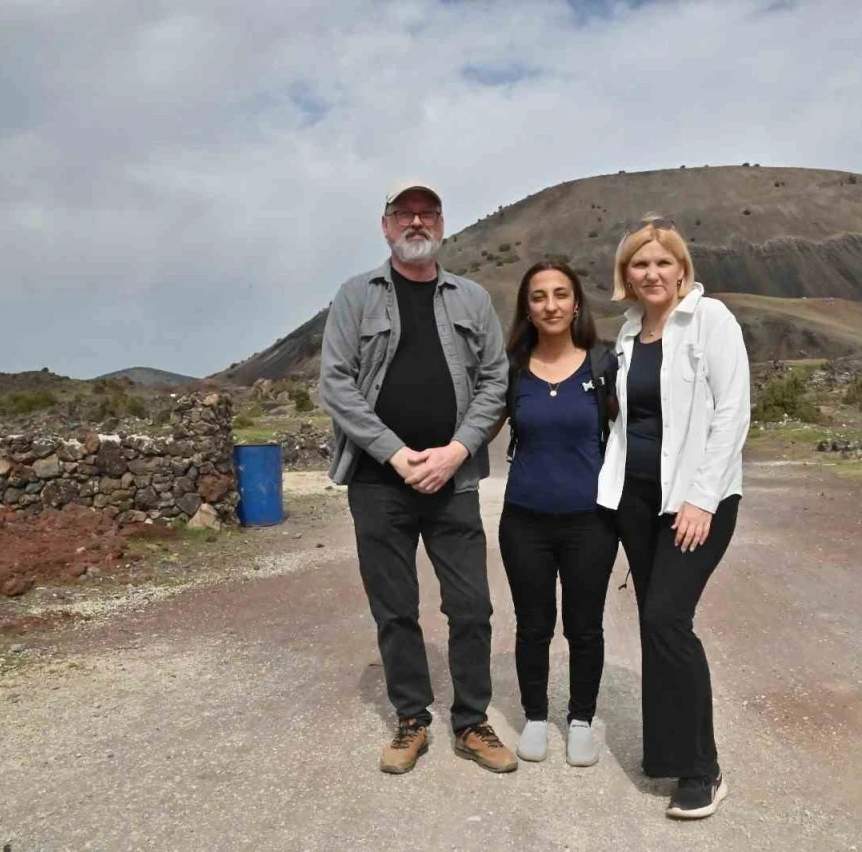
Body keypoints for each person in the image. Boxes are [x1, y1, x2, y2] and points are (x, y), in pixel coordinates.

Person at [318, 180, 517, 775]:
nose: (415, 222)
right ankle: (412, 719)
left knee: (472, 606)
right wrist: (396, 454)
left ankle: (472, 721)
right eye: (403, 213)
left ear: (442, 224)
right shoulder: (355, 297)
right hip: (378, 482)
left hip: (453, 480)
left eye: (427, 213)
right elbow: (337, 384)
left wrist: (457, 451)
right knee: (395, 606)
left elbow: (496, 381)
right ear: (385, 226)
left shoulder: (472, 298)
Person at [596, 216, 750, 819]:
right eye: (640, 263)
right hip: (636, 501)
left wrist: (702, 498)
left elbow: (732, 412)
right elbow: (625, 422)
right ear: (626, 275)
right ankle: (666, 753)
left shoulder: (711, 319)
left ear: (682, 269)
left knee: (667, 618)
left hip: (695, 501)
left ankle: (702, 769)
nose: (652, 272)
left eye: (663, 262)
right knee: (653, 624)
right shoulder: (629, 333)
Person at [496, 261, 619, 767]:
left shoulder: (604, 366)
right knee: (533, 625)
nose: (550, 305)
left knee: (585, 627)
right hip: (524, 520)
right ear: (527, 308)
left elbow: (638, 427)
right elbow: (477, 426)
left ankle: (581, 720)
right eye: (539, 296)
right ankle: (535, 717)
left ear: (576, 304)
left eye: (560, 294)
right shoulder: (510, 369)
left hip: (591, 522)